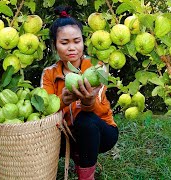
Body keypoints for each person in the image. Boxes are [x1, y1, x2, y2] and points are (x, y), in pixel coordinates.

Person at [40, 6, 119, 180]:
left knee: (85, 120)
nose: (72, 48)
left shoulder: (97, 69)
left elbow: (99, 110)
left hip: (101, 133)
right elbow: (43, 111)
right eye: (64, 42)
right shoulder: (49, 74)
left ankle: (86, 176)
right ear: (54, 46)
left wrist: (88, 103)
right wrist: (62, 100)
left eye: (77, 41)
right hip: (65, 137)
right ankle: (77, 157)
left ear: (83, 41)